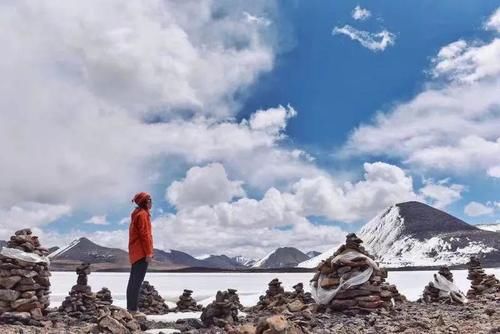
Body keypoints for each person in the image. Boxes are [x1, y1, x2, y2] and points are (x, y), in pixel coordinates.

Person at [126, 191, 154, 317]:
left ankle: (131, 308)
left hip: (135, 252)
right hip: (141, 253)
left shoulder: (136, 214)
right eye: (149, 200)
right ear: (145, 202)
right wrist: (148, 253)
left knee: (133, 281)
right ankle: (133, 310)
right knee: (136, 281)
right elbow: (145, 236)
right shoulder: (143, 215)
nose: (151, 202)